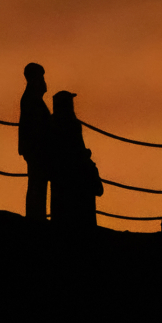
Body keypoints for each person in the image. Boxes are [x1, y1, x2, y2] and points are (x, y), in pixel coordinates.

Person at [49, 90, 102, 228]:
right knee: (81, 215)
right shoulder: (72, 124)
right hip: (76, 176)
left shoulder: (51, 123)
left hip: (59, 176)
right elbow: (77, 149)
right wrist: (86, 155)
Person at [18, 63, 53, 221]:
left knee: (36, 183)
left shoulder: (31, 98)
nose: (44, 82)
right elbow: (38, 127)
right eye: (41, 77)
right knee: (37, 183)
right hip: (37, 149)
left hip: (35, 149)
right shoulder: (32, 100)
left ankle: (36, 215)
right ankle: (36, 216)